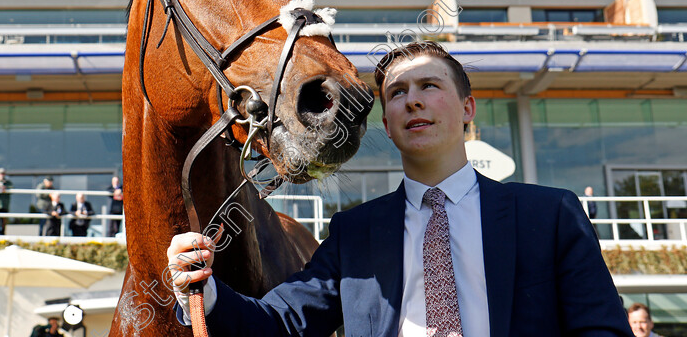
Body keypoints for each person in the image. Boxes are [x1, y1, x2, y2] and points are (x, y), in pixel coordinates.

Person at [167, 41, 633, 336]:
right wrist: (202, 291)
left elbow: (602, 330)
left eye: (429, 85)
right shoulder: (354, 234)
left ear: (468, 107)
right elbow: (282, 323)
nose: (412, 99)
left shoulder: (550, 216)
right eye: (397, 93)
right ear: (388, 126)